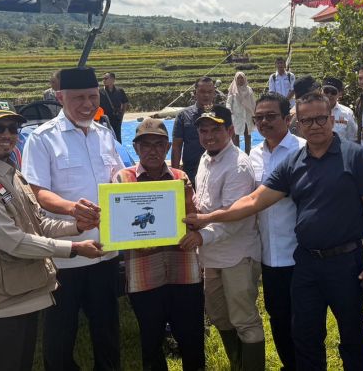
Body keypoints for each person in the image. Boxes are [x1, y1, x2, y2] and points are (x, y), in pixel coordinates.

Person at [185, 92, 363, 371]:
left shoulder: (355, 156)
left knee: (351, 333)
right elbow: (255, 201)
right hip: (305, 262)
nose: (315, 125)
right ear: (299, 123)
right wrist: (207, 217)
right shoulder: (294, 162)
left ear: (331, 119)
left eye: (320, 119)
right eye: (308, 120)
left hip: (345, 261)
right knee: (304, 335)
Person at [0, 99, 104, 370]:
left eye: (13, 128)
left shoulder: (11, 174)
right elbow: (14, 242)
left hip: (23, 294)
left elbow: (38, 222)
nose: (7, 135)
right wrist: (75, 248)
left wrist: (77, 227)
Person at [21, 66, 124, 371]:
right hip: (66, 253)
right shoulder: (42, 139)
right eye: (79, 97)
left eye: (93, 96)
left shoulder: (105, 134)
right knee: (60, 331)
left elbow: (120, 180)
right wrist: (70, 208)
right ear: (60, 97)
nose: (88, 104)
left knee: (107, 327)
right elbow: (36, 191)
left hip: (105, 250)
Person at [112, 118, 205, 371]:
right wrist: (134, 242)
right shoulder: (122, 179)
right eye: (146, 145)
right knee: (151, 341)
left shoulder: (180, 177)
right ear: (136, 148)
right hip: (144, 275)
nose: (152, 150)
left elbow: (194, 220)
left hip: (184, 272)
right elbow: (118, 228)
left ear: (167, 148)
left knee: (192, 338)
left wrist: (187, 201)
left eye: (159, 145)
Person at [177, 105, 265, 370]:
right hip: (212, 255)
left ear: (230, 130)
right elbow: (205, 205)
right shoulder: (206, 159)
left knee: (244, 319)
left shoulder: (237, 166)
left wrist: (200, 238)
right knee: (218, 315)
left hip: (236, 254)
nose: (209, 136)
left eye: (216, 129)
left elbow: (234, 217)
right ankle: (238, 364)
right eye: (203, 130)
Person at [248, 92, 306, 370]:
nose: (264, 122)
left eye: (271, 116)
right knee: (278, 316)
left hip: (300, 253)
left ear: (287, 118)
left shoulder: (304, 150)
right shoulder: (253, 155)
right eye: (259, 117)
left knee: (304, 319)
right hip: (269, 255)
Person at [171, 76, 215, 185]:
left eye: (210, 92)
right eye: (202, 92)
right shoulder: (183, 116)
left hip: (217, 169)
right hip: (191, 171)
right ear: (195, 93)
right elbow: (177, 146)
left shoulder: (221, 114)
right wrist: (175, 174)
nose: (206, 95)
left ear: (214, 93)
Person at [227, 71, 256, 154]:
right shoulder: (232, 90)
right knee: (236, 135)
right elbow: (228, 102)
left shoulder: (249, 89)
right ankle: (237, 153)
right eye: (238, 78)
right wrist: (229, 110)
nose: (240, 80)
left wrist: (254, 113)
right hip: (237, 116)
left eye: (241, 78)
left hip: (247, 115)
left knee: (248, 135)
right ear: (236, 79)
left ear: (244, 79)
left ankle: (248, 153)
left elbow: (253, 102)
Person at [323, 76, 358, 142]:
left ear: (340, 94)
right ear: (321, 92)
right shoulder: (313, 111)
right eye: (326, 91)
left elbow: (353, 138)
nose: (329, 95)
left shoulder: (347, 113)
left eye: (333, 92)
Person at [100, 72, 130, 143]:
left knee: (118, 138)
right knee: (106, 139)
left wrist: (122, 114)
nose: (103, 80)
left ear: (113, 79)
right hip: (104, 120)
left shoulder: (119, 91)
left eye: (106, 78)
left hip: (117, 119)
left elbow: (125, 102)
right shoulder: (100, 92)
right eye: (103, 78)